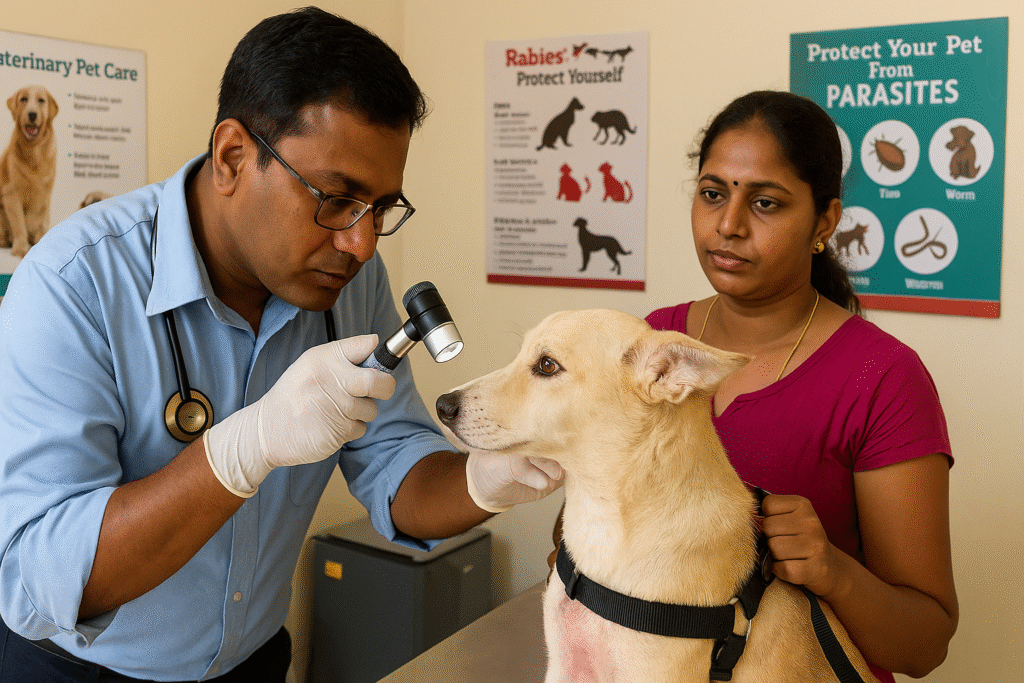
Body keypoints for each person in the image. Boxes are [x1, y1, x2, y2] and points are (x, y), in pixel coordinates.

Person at [0, 8, 560, 682]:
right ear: (234, 156)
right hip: (81, 669)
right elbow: (40, 576)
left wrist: (485, 478)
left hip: (254, 661)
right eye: (336, 198)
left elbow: (394, 464)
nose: (361, 243)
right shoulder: (74, 285)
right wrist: (243, 448)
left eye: (380, 209)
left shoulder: (348, 280)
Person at [551, 90, 957, 682]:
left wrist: (831, 570)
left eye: (766, 203)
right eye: (712, 194)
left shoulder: (882, 378)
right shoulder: (651, 345)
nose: (729, 225)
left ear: (825, 221)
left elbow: (923, 645)